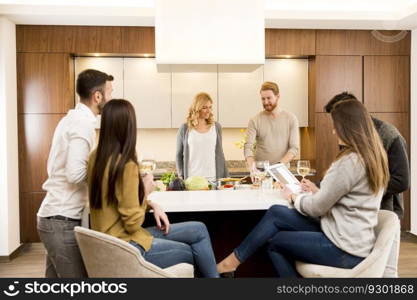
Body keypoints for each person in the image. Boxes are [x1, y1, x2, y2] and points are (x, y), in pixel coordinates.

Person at [217, 99, 389, 277]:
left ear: (348, 127)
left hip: (343, 248)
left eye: (336, 125)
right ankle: (231, 263)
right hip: (351, 240)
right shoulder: (373, 156)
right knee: (276, 212)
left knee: (274, 243)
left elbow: (316, 208)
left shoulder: (349, 162)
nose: (333, 130)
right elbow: (350, 199)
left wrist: (294, 197)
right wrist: (317, 191)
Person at [87, 99, 219, 278]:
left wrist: (151, 204)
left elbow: (118, 200)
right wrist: (145, 190)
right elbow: (133, 223)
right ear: (128, 126)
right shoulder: (125, 164)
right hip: (126, 245)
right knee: (188, 252)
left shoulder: (96, 157)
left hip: (109, 241)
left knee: (199, 229)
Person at [37, 69, 114, 278]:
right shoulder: (83, 124)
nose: (111, 97)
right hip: (60, 221)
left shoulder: (70, 119)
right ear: (97, 96)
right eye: (109, 92)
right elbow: (75, 174)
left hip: (54, 217)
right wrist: (109, 176)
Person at [324, 92, 410, 278]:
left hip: (386, 211)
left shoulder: (389, 134)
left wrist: (363, 190)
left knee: (386, 271)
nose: (335, 129)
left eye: (337, 121)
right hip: (358, 214)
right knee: (365, 270)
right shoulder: (350, 135)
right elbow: (346, 176)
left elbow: (402, 180)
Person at [244, 81, 299, 176]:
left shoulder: (291, 118)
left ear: (278, 96)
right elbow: (248, 147)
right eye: (263, 99)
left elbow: (294, 148)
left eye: (269, 98)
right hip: (261, 173)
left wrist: (278, 167)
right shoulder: (255, 120)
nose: (266, 102)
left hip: (282, 171)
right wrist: (252, 167)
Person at [176, 92, 228, 181]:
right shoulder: (185, 128)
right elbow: (179, 155)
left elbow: (220, 154)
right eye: (204, 108)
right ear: (197, 108)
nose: (208, 110)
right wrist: (181, 175)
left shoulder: (216, 127)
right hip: (192, 180)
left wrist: (226, 177)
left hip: (213, 179)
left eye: (210, 107)